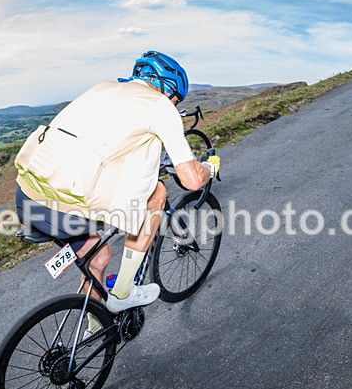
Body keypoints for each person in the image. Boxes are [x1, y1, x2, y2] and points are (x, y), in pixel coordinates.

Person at [14, 50, 220, 332]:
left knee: (97, 259)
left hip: (27, 197)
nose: (173, 104)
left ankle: (92, 334)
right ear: (168, 89)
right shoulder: (159, 106)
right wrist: (209, 167)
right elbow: (192, 180)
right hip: (67, 204)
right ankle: (124, 291)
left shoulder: (102, 88)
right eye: (175, 99)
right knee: (157, 193)